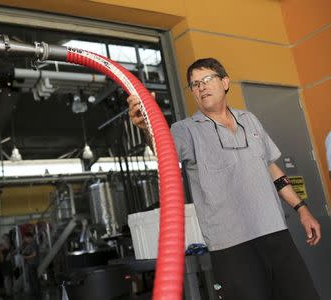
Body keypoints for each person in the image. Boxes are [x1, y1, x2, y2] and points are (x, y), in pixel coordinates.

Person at [127, 58, 321, 300]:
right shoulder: (185, 130)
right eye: (194, 84)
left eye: (207, 79)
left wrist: (302, 209)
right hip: (231, 248)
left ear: (225, 82)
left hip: (275, 233)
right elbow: (164, 149)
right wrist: (147, 125)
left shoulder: (249, 120)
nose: (201, 87)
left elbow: (272, 168)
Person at [21, 231, 41, 300]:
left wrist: (26, 257)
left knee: (33, 280)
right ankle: (36, 294)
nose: (25, 240)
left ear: (29, 237)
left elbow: (34, 254)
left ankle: (36, 295)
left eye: (25, 238)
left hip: (32, 264)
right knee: (33, 280)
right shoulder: (32, 244)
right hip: (32, 264)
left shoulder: (33, 244)